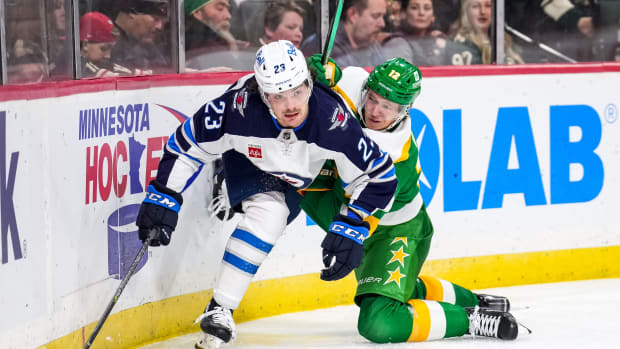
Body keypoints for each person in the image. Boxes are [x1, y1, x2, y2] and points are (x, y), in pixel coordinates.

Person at [135, 40, 399, 349]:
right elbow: (185, 146)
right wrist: (164, 195)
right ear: (262, 94)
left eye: (298, 91)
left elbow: (380, 176)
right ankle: (220, 309)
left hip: (298, 171)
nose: (291, 105)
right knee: (270, 216)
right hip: (249, 158)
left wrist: (354, 225)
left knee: (279, 208)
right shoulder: (235, 109)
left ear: (309, 84)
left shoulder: (333, 121)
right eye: (278, 95)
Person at [303, 55, 520, 343]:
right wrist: (315, 74)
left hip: (393, 229)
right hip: (344, 200)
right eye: (374, 99)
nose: (376, 111)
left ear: (405, 111)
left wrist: (349, 236)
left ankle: (470, 318)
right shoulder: (357, 85)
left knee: (379, 322)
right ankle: (469, 299)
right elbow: (337, 77)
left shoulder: (396, 156)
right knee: (289, 170)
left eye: (388, 107)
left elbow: (366, 209)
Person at [300, 0, 389, 68]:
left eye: (383, 16)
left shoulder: (372, 46)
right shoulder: (322, 46)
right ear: (352, 14)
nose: (382, 24)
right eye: (376, 16)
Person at [446, 0, 524, 65]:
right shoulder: (459, 45)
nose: (482, 11)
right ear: (466, 12)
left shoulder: (506, 42)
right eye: (475, 6)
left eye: (488, 6)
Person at [184, 0, 250, 70]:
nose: (228, 16)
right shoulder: (207, 48)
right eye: (220, 8)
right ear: (197, 13)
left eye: (228, 10)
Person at [111, 0, 170, 74]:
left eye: (162, 21)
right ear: (131, 13)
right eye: (156, 19)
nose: (160, 27)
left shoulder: (149, 47)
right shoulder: (105, 43)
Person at [383, 0, 448, 66]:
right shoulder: (396, 43)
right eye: (414, 8)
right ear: (403, 13)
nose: (421, 13)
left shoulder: (439, 40)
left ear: (433, 15)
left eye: (427, 8)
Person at [79, 12, 120, 78]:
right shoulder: (69, 67)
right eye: (104, 48)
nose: (108, 56)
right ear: (85, 45)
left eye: (111, 49)